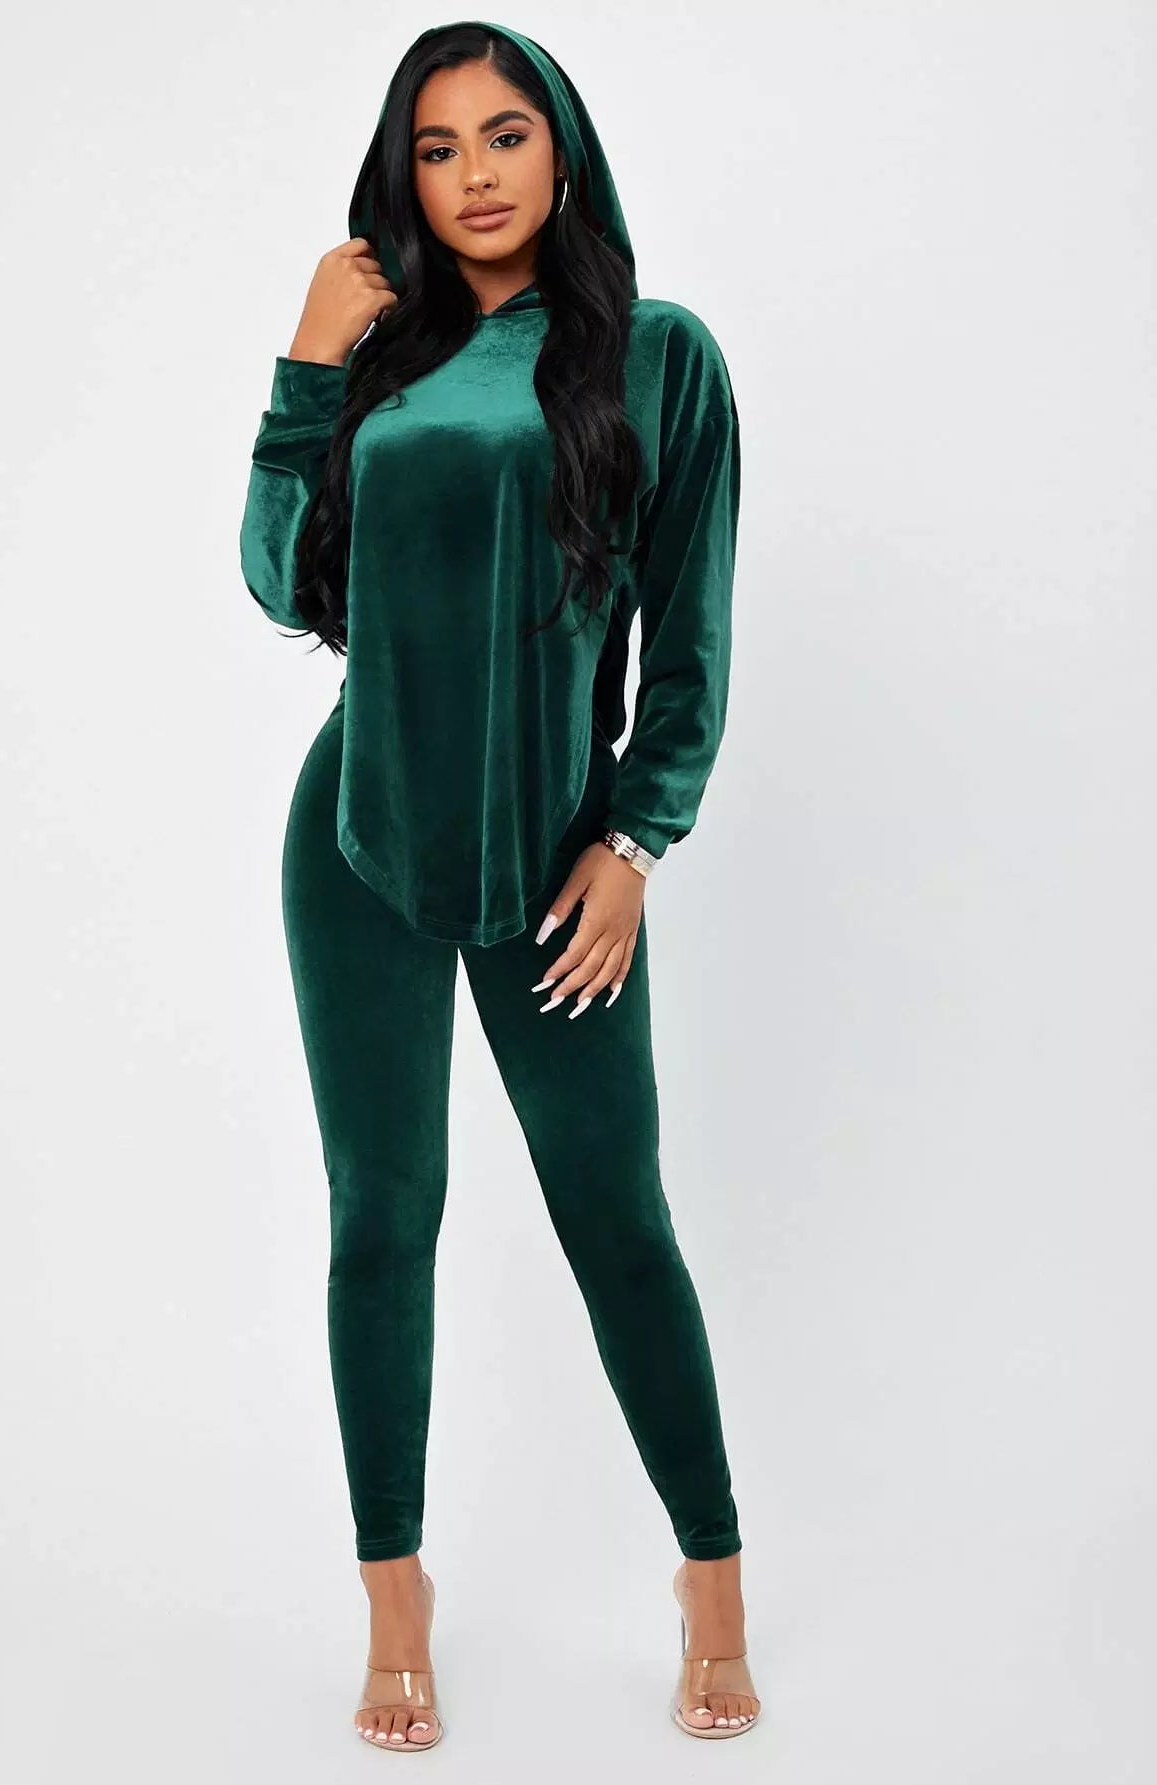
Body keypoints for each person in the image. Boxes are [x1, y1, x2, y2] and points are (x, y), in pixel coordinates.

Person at [239, 18, 761, 1750]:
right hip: (360, 838)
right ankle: (395, 1593)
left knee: (617, 1214)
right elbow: (280, 587)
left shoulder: (659, 356)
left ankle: (712, 1573)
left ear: (563, 149)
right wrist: (306, 366)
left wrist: (635, 843)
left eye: (506, 134)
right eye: (440, 145)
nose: (475, 173)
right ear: (406, 173)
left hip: (558, 862)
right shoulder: (375, 360)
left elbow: (687, 648)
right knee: (381, 1219)